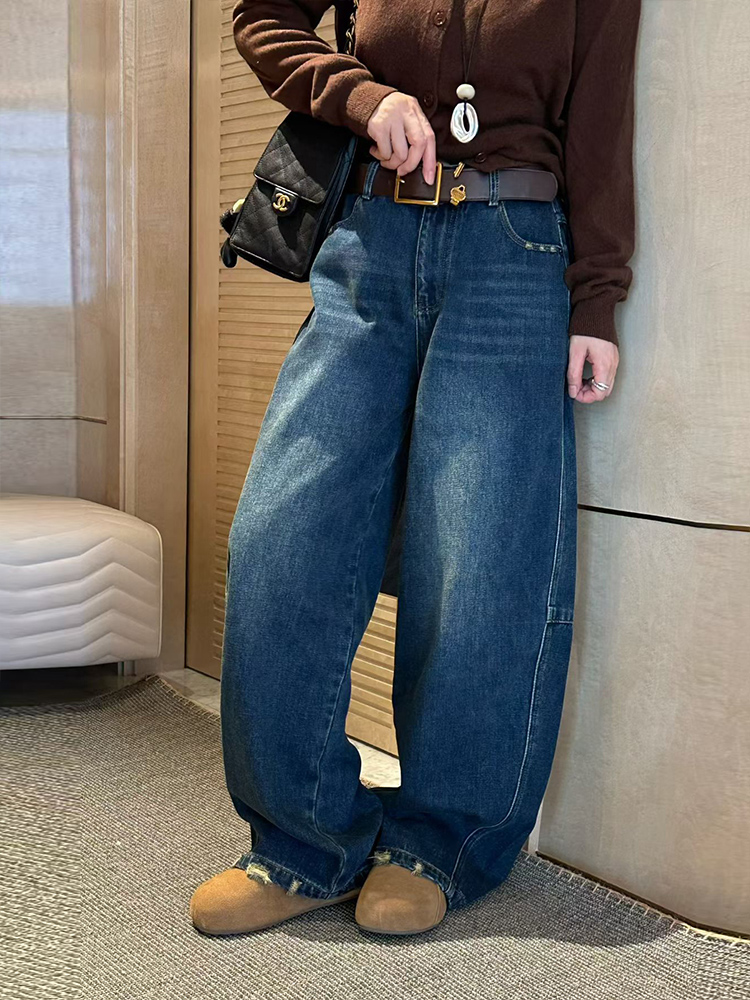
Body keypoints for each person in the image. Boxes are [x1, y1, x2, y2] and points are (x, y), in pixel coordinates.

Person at [190, 0, 642, 937]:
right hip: (368, 242)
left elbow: (602, 119)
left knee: (480, 562)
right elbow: (263, 18)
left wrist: (598, 298)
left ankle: (438, 844)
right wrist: (360, 96)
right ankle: (302, 841)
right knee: (283, 540)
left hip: (515, 251)